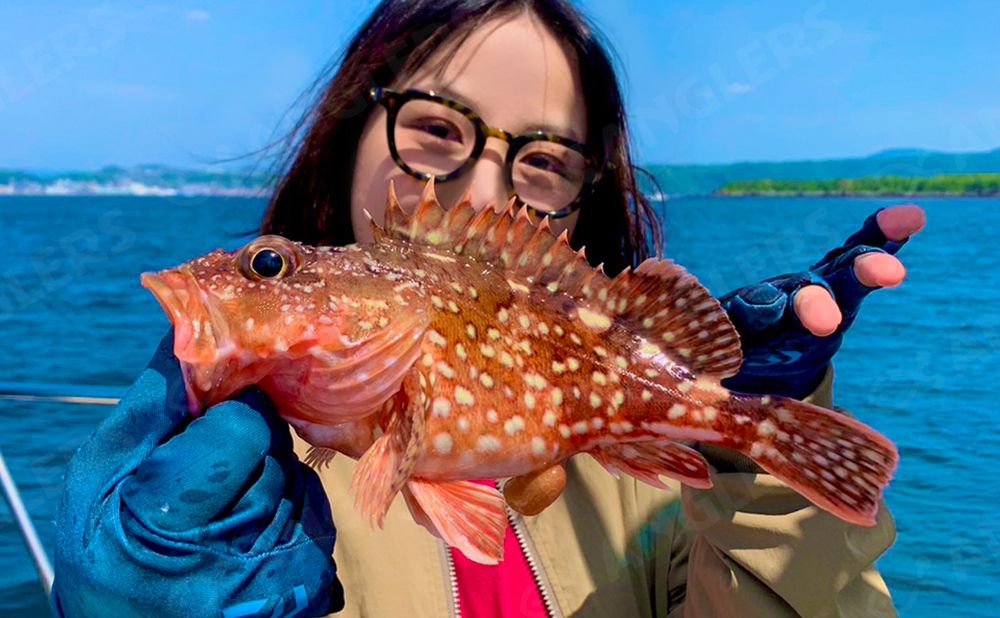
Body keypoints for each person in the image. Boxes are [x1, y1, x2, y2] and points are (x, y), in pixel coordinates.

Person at [52, 1, 925, 616]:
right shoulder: (245, 498)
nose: (486, 187)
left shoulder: (644, 502)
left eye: (545, 160)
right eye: (436, 127)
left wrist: (758, 477)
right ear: (349, 126)